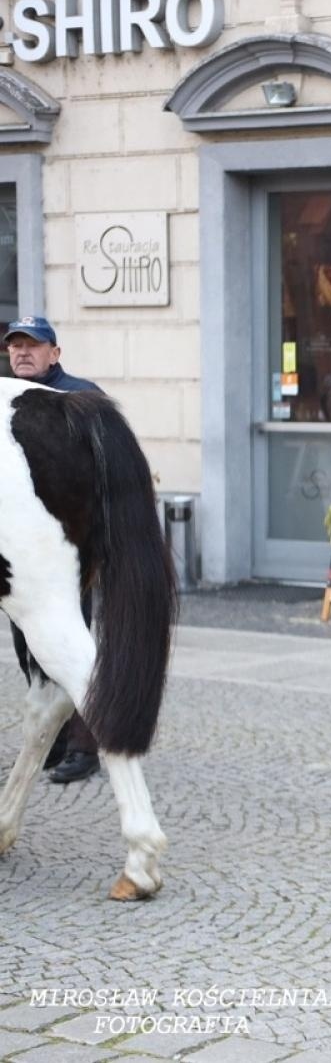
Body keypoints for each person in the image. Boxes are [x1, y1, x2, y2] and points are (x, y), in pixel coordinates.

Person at [5, 316, 104, 783]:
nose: (22, 353)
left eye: (33, 345)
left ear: (55, 354)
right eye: (15, 346)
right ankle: (54, 737)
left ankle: (86, 746)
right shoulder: (6, 401)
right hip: (20, 549)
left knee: (72, 639)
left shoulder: (79, 398)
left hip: (68, 545)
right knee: (27, 643)